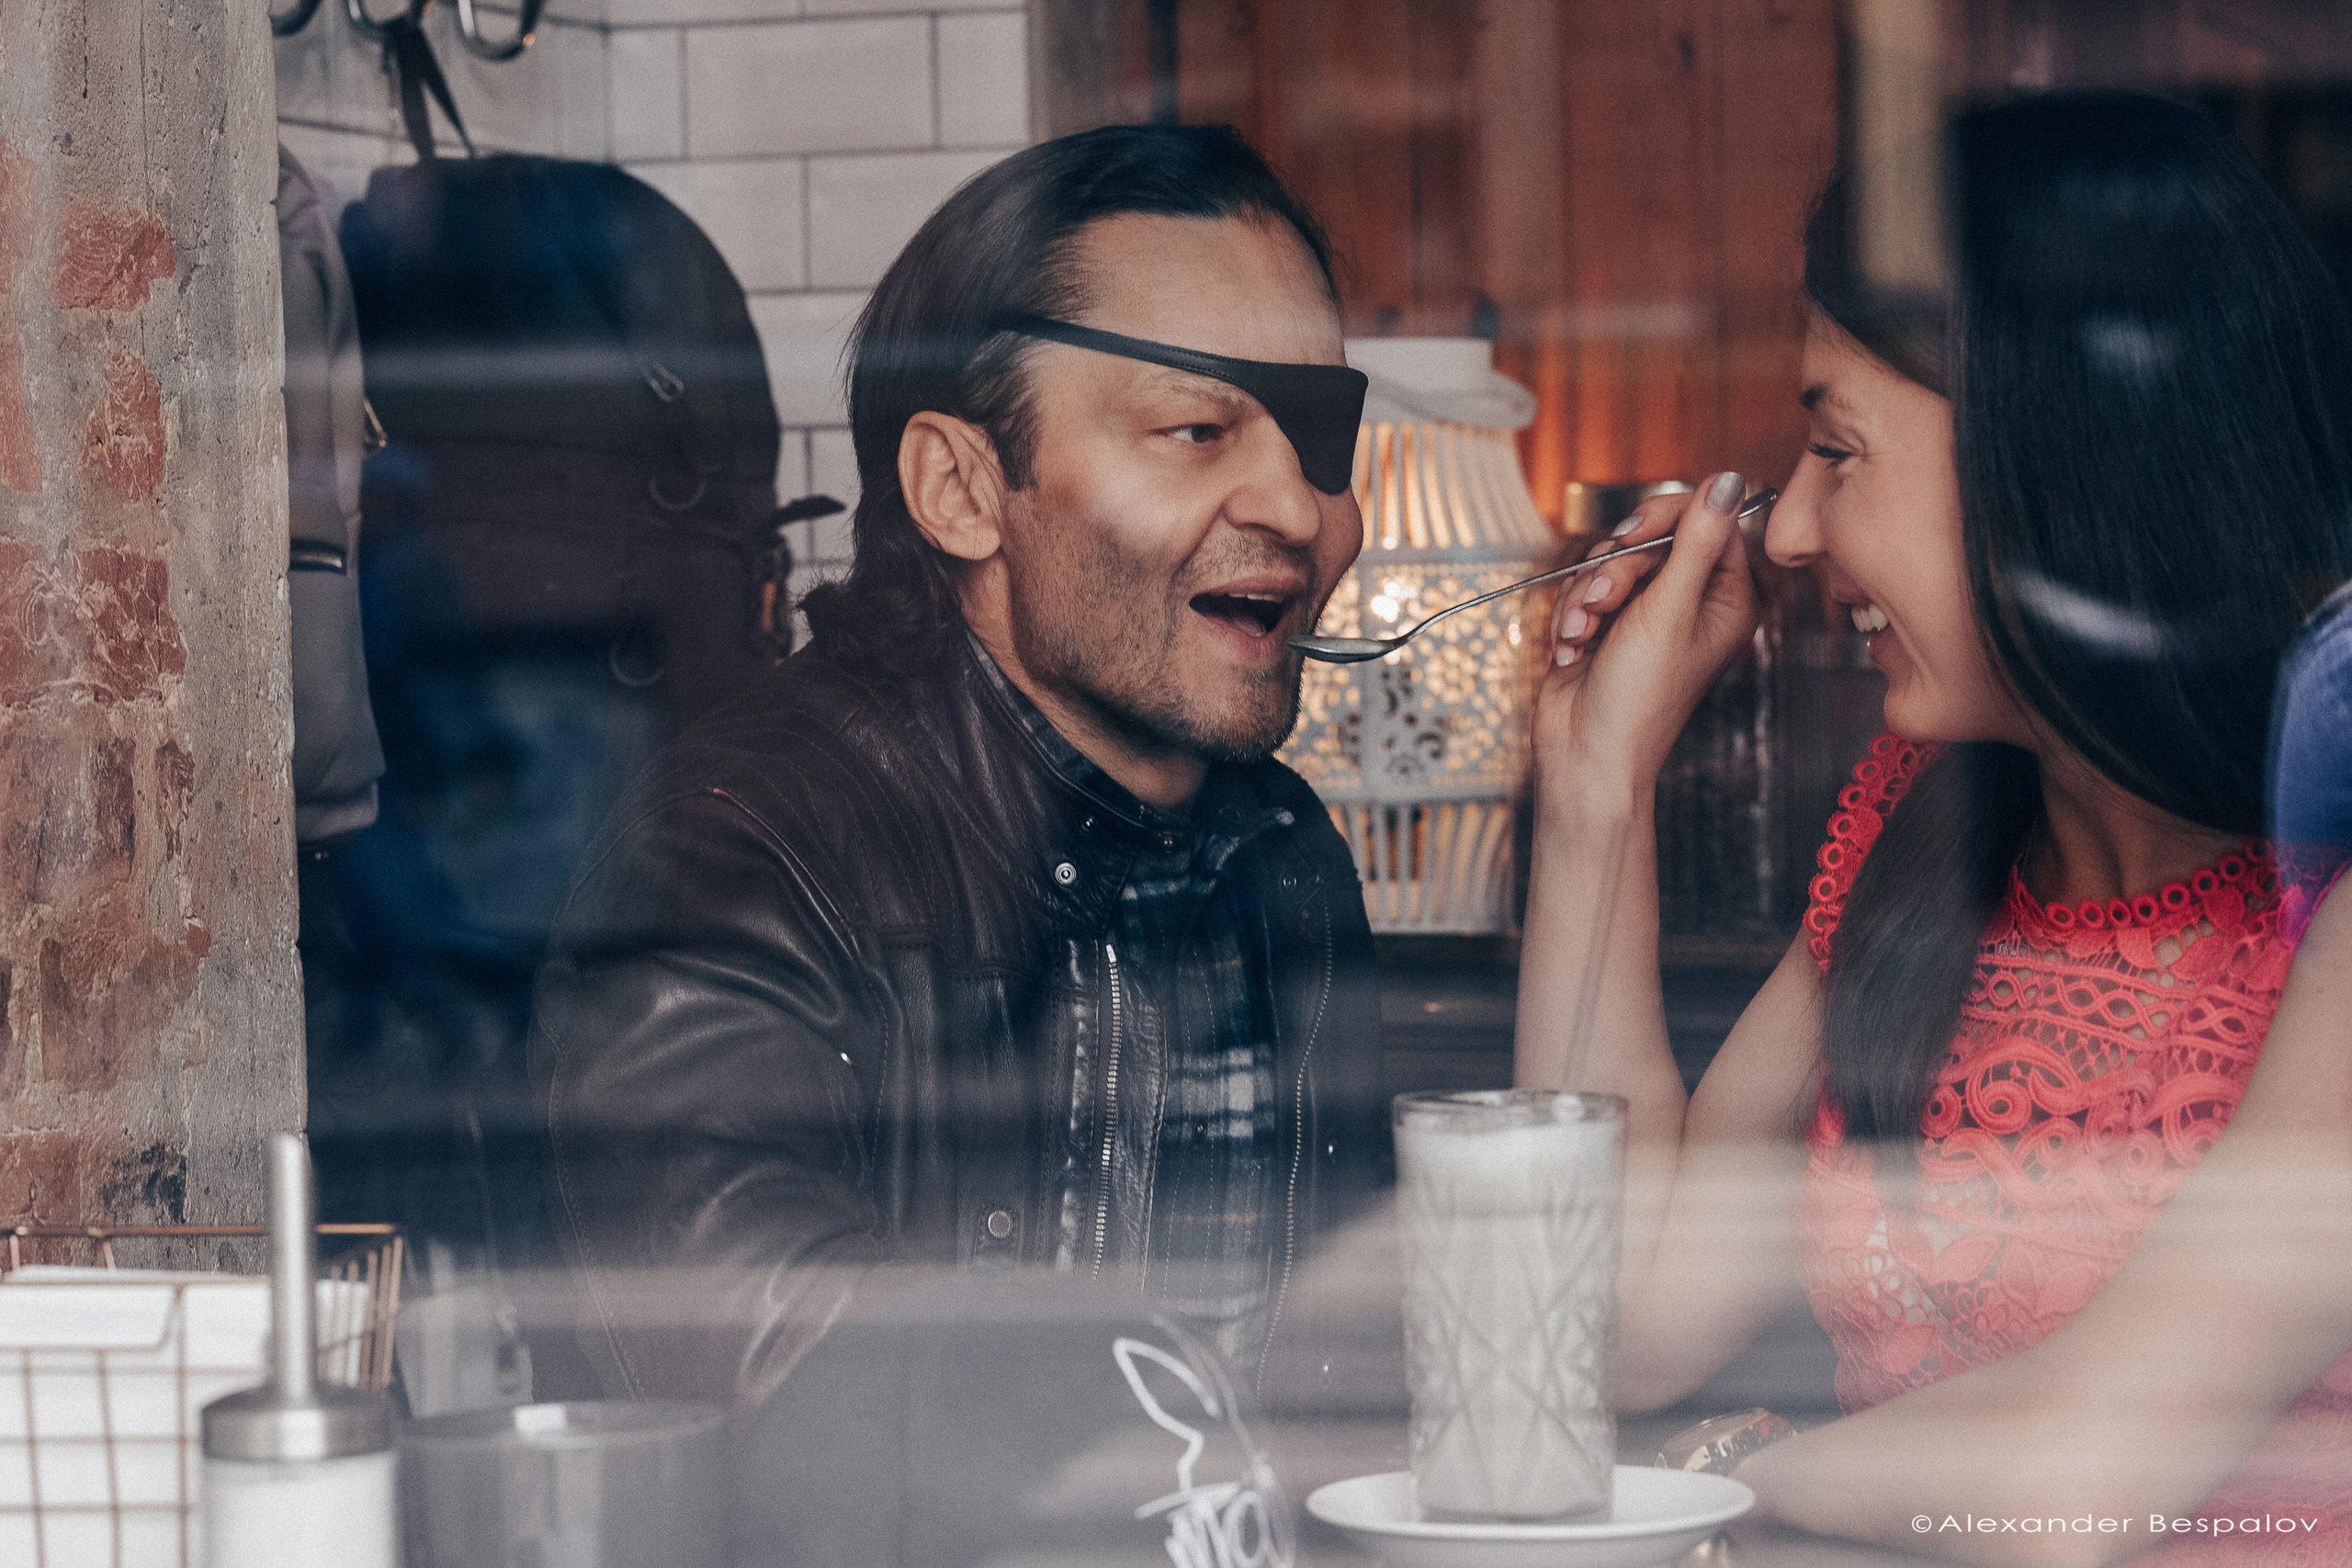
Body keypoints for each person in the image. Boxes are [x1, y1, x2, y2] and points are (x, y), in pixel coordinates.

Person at [1516, 89, 2352, 1562]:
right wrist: (1595, 789)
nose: (1784, 530)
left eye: (1837, 451)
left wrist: (1727, 1476)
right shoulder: (1918, 835)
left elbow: (2071, 1475)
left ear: (2060, 459)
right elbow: (1620, 1327)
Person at [526, 123, 1385, 1419]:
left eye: (1318, 438)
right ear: (962, 488)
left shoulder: (1282, 855)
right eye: (1198, 429)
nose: (1300, 506)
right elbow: (784, 1383)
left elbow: (1359, 1369)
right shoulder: (739, 852)